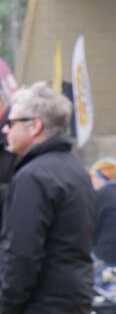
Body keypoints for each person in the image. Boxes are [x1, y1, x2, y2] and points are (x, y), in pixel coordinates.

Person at [0, 82, 95, 313]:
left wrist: (7, 305)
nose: (5, 130)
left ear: (35, 126)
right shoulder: (74, 169)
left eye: (11, 123)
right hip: (74, 296)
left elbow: (22, 254)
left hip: (42, 301)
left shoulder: (32, 177)